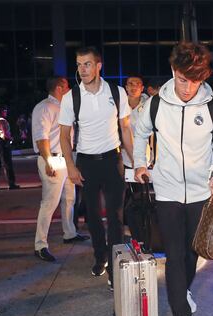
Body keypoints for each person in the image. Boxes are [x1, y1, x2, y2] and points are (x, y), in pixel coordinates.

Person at [134, 42, 213, 316]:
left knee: (193, 252)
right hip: (167, 189)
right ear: (173, 71)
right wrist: (140, 163)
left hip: (202, 192)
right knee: (175, 255)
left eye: (196, 81)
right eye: (182, 79)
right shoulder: (155, 104)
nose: (189, 87)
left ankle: (182, 292)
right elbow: (140, 133)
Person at [59, 46, 134, 286]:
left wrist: (137, 161)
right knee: (92, 217)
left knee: (115, 217)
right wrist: (70, 165)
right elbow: (64, 135)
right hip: (86, 163)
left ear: (99, 65)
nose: (82, 69)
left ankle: (114, 267)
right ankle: (100, 256)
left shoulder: (117, 91)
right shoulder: (71, 97)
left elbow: (125, 128)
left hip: (113, 161)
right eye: (79, 65)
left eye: (87, 64)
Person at [32, 76, 89, 262]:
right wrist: (48, 161)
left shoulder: (62, 107)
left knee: (69, 198)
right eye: (66, 86)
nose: (69, 88)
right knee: (49, 203)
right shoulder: (45, 107)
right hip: (54, 159)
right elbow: (42, 137)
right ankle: (40, 245)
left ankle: (69, 233)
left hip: (66, 159)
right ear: (59, 87)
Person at [0, 107, 20, 190]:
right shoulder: (2, 120)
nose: (6, 113)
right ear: (1, 112)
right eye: (5, 111)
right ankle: (11, 184)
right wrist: (11, 139)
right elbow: (5, 133)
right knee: (7, 163)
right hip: (2, 143)